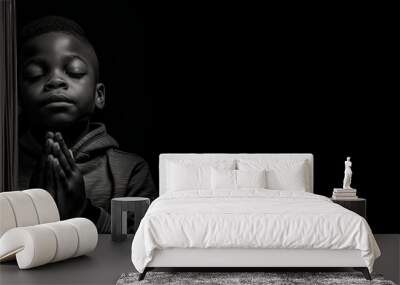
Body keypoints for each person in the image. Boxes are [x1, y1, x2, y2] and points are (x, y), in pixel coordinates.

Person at [17, 16, 156, 233]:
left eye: (74, 72)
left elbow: (141, 250)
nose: (55, 81)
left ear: (98, 95)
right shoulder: (6, 166)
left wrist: (84, 212)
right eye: (35, 74)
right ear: (17, 99)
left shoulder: (130, 171)